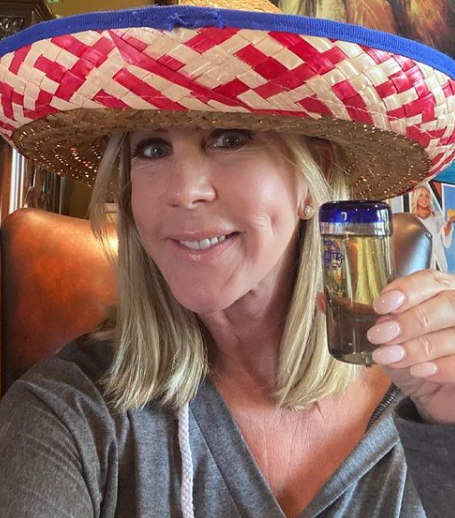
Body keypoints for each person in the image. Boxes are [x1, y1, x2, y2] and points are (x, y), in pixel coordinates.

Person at [0, 1, 455, 517]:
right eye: (152, 149)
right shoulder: (68, 414)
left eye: (229, 139)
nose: (184, 191)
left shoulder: (426, 402)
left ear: (314, 178)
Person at [410, 184, 453, 272]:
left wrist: (449, 222)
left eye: (427, 196)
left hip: (438, 258)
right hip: (421, 259)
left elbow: (445, 232)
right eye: (421, 195)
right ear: (416, 198)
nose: (424, 199)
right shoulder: (412, 219)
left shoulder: (436, 216)